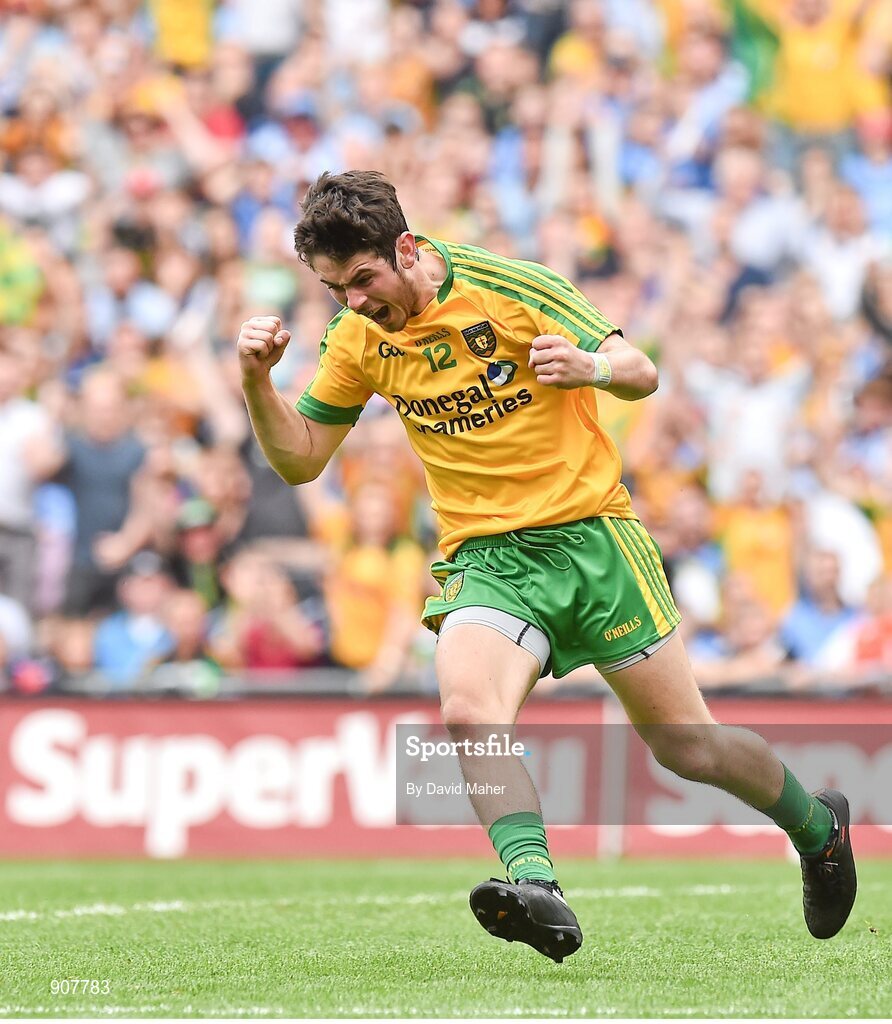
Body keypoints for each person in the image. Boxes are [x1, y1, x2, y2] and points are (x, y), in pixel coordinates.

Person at [237, 169, 856, 963]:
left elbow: (640, 370)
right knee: (468, 712)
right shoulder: (357, 340)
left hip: (592, 539)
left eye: (362, 280)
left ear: (405, 247)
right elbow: (301, 459)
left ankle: (818, 829)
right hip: (487, 558)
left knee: (688, 748)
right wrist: (256, 382)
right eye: (333, 289)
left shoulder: (511, 287)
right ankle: (539, 889)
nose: (353, 301)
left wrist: (590, 368)